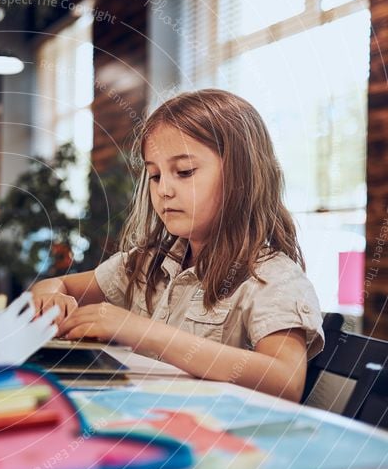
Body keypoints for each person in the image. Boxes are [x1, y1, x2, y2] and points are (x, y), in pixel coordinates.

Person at [30, 89, 323, 401]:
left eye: (185, 172)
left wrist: (140, 330)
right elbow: (56, 284)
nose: (164, 190)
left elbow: (285, 382)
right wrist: (49, 298)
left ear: (242, 175)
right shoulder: (145, 264)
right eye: (155, 175)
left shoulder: (272, 279)